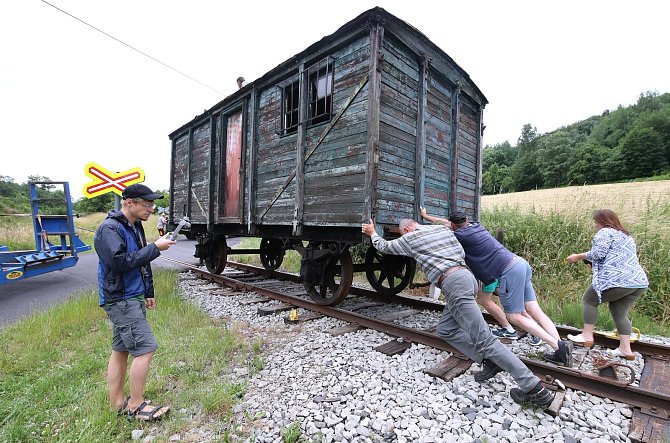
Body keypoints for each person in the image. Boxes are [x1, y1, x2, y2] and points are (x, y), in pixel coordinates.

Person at [361, 218, 555, 409]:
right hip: (467, 279)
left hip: (453, 283)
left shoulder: (410, 238)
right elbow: (463, 252)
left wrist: (372, 233)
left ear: (406, 230)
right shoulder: (443, 231)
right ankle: (488, 361)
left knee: (485, 340)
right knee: (446, 329)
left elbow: (384, 247)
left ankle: (535, 389)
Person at [420, 208, 572, 367]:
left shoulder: (459, 235)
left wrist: (419, 224)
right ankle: (561, 347)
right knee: (535, 310)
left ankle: (558, 347)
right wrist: (427, 216)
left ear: (453, 225)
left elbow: (440, 229)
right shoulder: (474, 226)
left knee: (514, 316)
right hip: (520, 263)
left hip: (508, 271)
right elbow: (446, 223)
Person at [95, 183, 176, 420]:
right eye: (146, 204)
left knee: (120, 350)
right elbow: (120, 262)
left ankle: (118, 403)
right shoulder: (109, 229)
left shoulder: (134, 225)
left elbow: (141, 263)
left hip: (132, 296)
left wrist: (148, 292)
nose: (151, 208)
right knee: (145, 349)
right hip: (121, 298)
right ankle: (136, 406)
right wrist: (155, 248)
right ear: (129, 203)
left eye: (152, 204)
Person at [566, 209, 648, 360]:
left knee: (589, 300)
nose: (595, 225)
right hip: (638, 282)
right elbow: (615, 257)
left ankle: (586, 335)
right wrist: (594, 264)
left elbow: (599, 253)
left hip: (618, 280)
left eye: (596, 222)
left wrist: (577, 256)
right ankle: (625, 349)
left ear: (603, 221)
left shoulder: (605, 232)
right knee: (619, 310)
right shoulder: (626, 235)